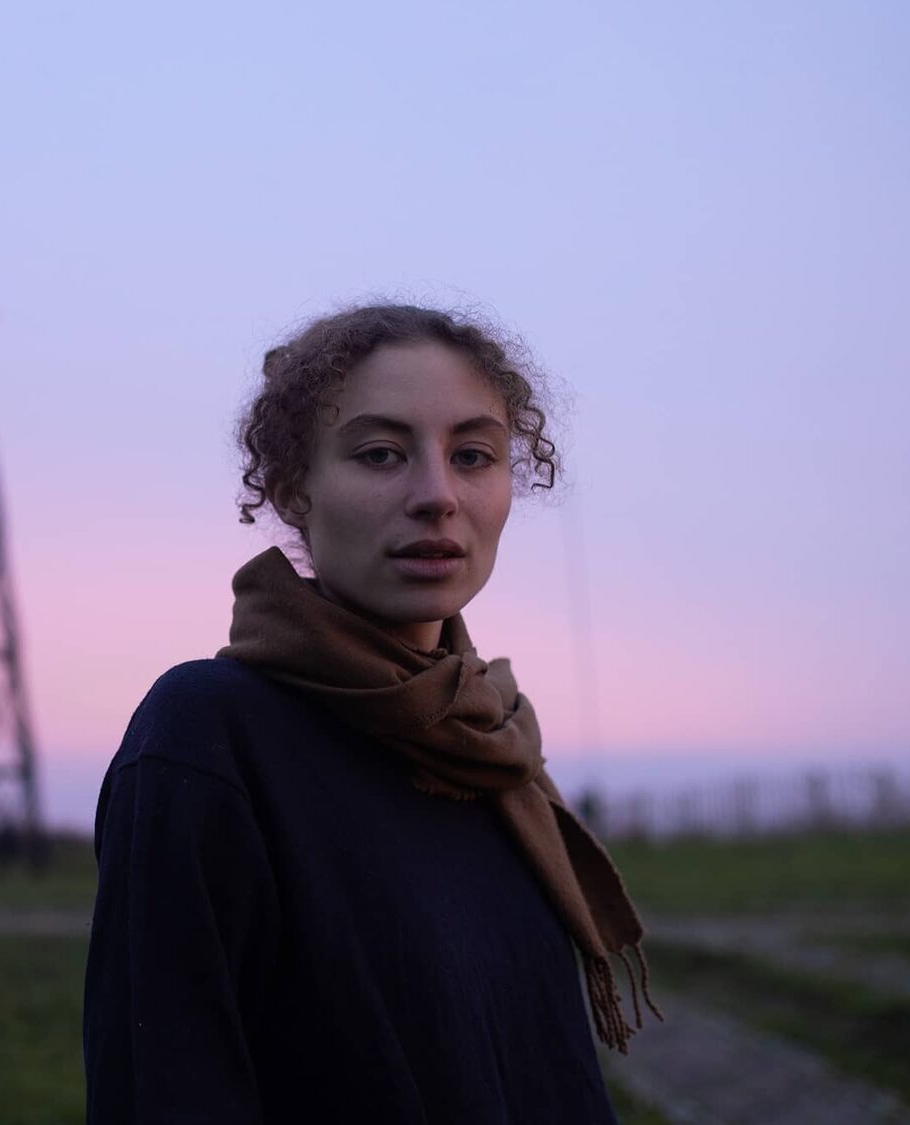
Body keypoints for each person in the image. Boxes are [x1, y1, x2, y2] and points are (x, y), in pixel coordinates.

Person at [82, 303, 660, 1123]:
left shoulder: (493, 740)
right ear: (294, 489)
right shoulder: (210, 735)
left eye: (473, 455)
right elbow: (163, 1084)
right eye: (382, 453)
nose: (437, 495)